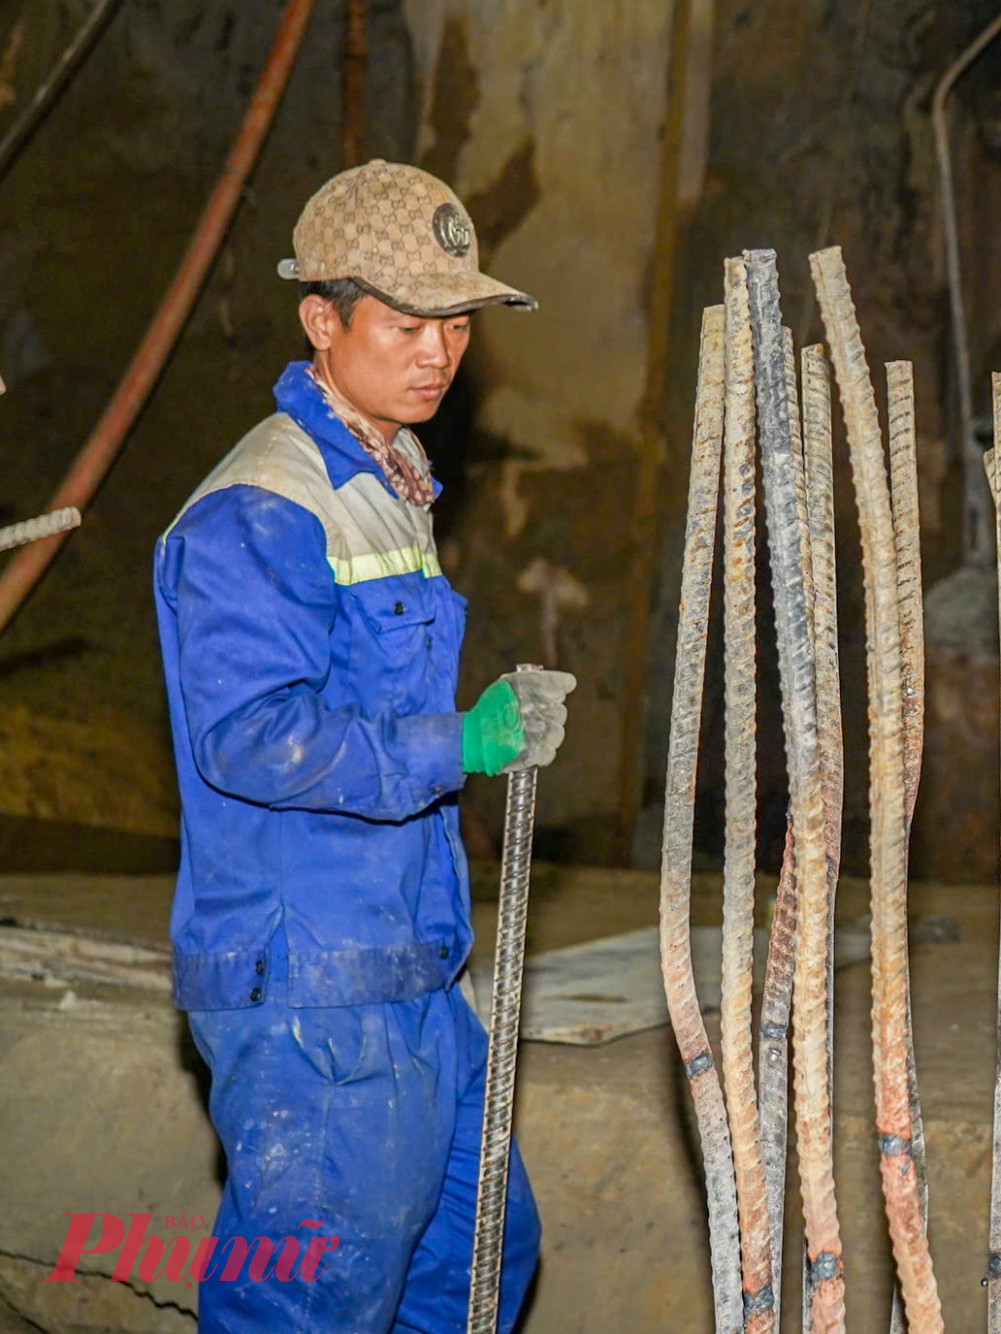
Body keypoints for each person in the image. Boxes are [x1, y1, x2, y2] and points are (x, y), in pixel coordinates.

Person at [154, 161, 576, 1333]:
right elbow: (251, 736)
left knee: (480, 1250)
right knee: (313, 1297)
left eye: (455, 322)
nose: (438, 350)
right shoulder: (264, 508)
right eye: (407, 321)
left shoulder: (388, 478)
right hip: (309, 988)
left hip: (405, 968)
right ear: (322, 320)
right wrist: (462, 738)